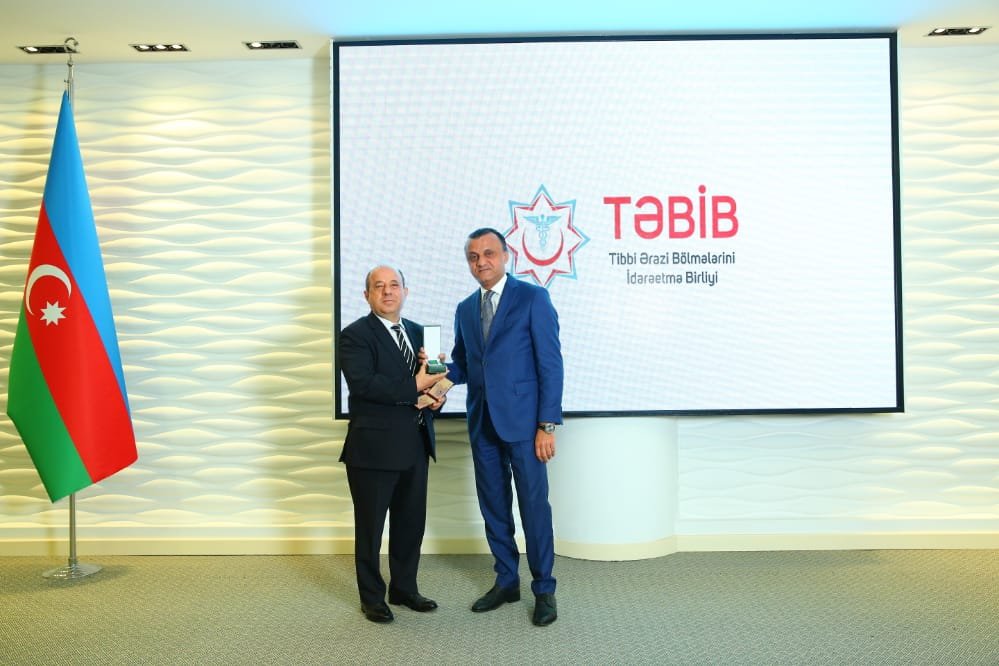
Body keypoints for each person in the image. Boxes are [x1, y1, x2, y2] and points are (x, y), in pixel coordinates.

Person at [446, 227, 563, 627]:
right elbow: (464, 364)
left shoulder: (532, 298)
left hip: (527, 427)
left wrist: (547, 424)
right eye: (473, 256)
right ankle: (506, 581)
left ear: (506, 255)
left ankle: (544, 589)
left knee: (534, 508)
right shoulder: (465, 308)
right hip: (483, 425)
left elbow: (550, 365)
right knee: (494, 507)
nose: (481, 262)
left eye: (488, 254)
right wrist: (437, 375)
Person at [338, 265, 446, 623]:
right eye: (379, 286)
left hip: (416, 443)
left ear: (405, 291)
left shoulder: (420, 333)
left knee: (410, 524)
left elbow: (431, 384)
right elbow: (366, 385)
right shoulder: (354, 335)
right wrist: (417, 385)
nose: (388, 291)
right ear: (366, 295)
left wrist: (437, 394)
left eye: (394, 285)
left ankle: (404, 589)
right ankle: (372, 598)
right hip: (373, 450)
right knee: (371, 530)